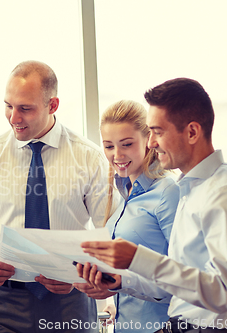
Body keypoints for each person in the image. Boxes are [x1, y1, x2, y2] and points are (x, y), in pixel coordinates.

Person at [0, 60, 117, 333]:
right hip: (5, 303)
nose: (14, 117)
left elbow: (111, 233)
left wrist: (78, 274)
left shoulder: (89, 157)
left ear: (53, 106)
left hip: (71, 301)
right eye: (8, 106)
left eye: (25, 108)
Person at [81, 78, 227, 332]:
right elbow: (179, 283)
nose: (151, 143)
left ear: (192, 132)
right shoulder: (189, 189)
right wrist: (122, 280)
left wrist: (138, 258)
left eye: (158, 132)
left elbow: (222, 292)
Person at [74, 100, 180, 332]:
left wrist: (122, 284)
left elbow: (184, 278)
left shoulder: (166, 193)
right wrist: (109, 290)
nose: (117, 155)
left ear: (148, 141)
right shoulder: (121, 192)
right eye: (109, 146)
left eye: (127, 144)